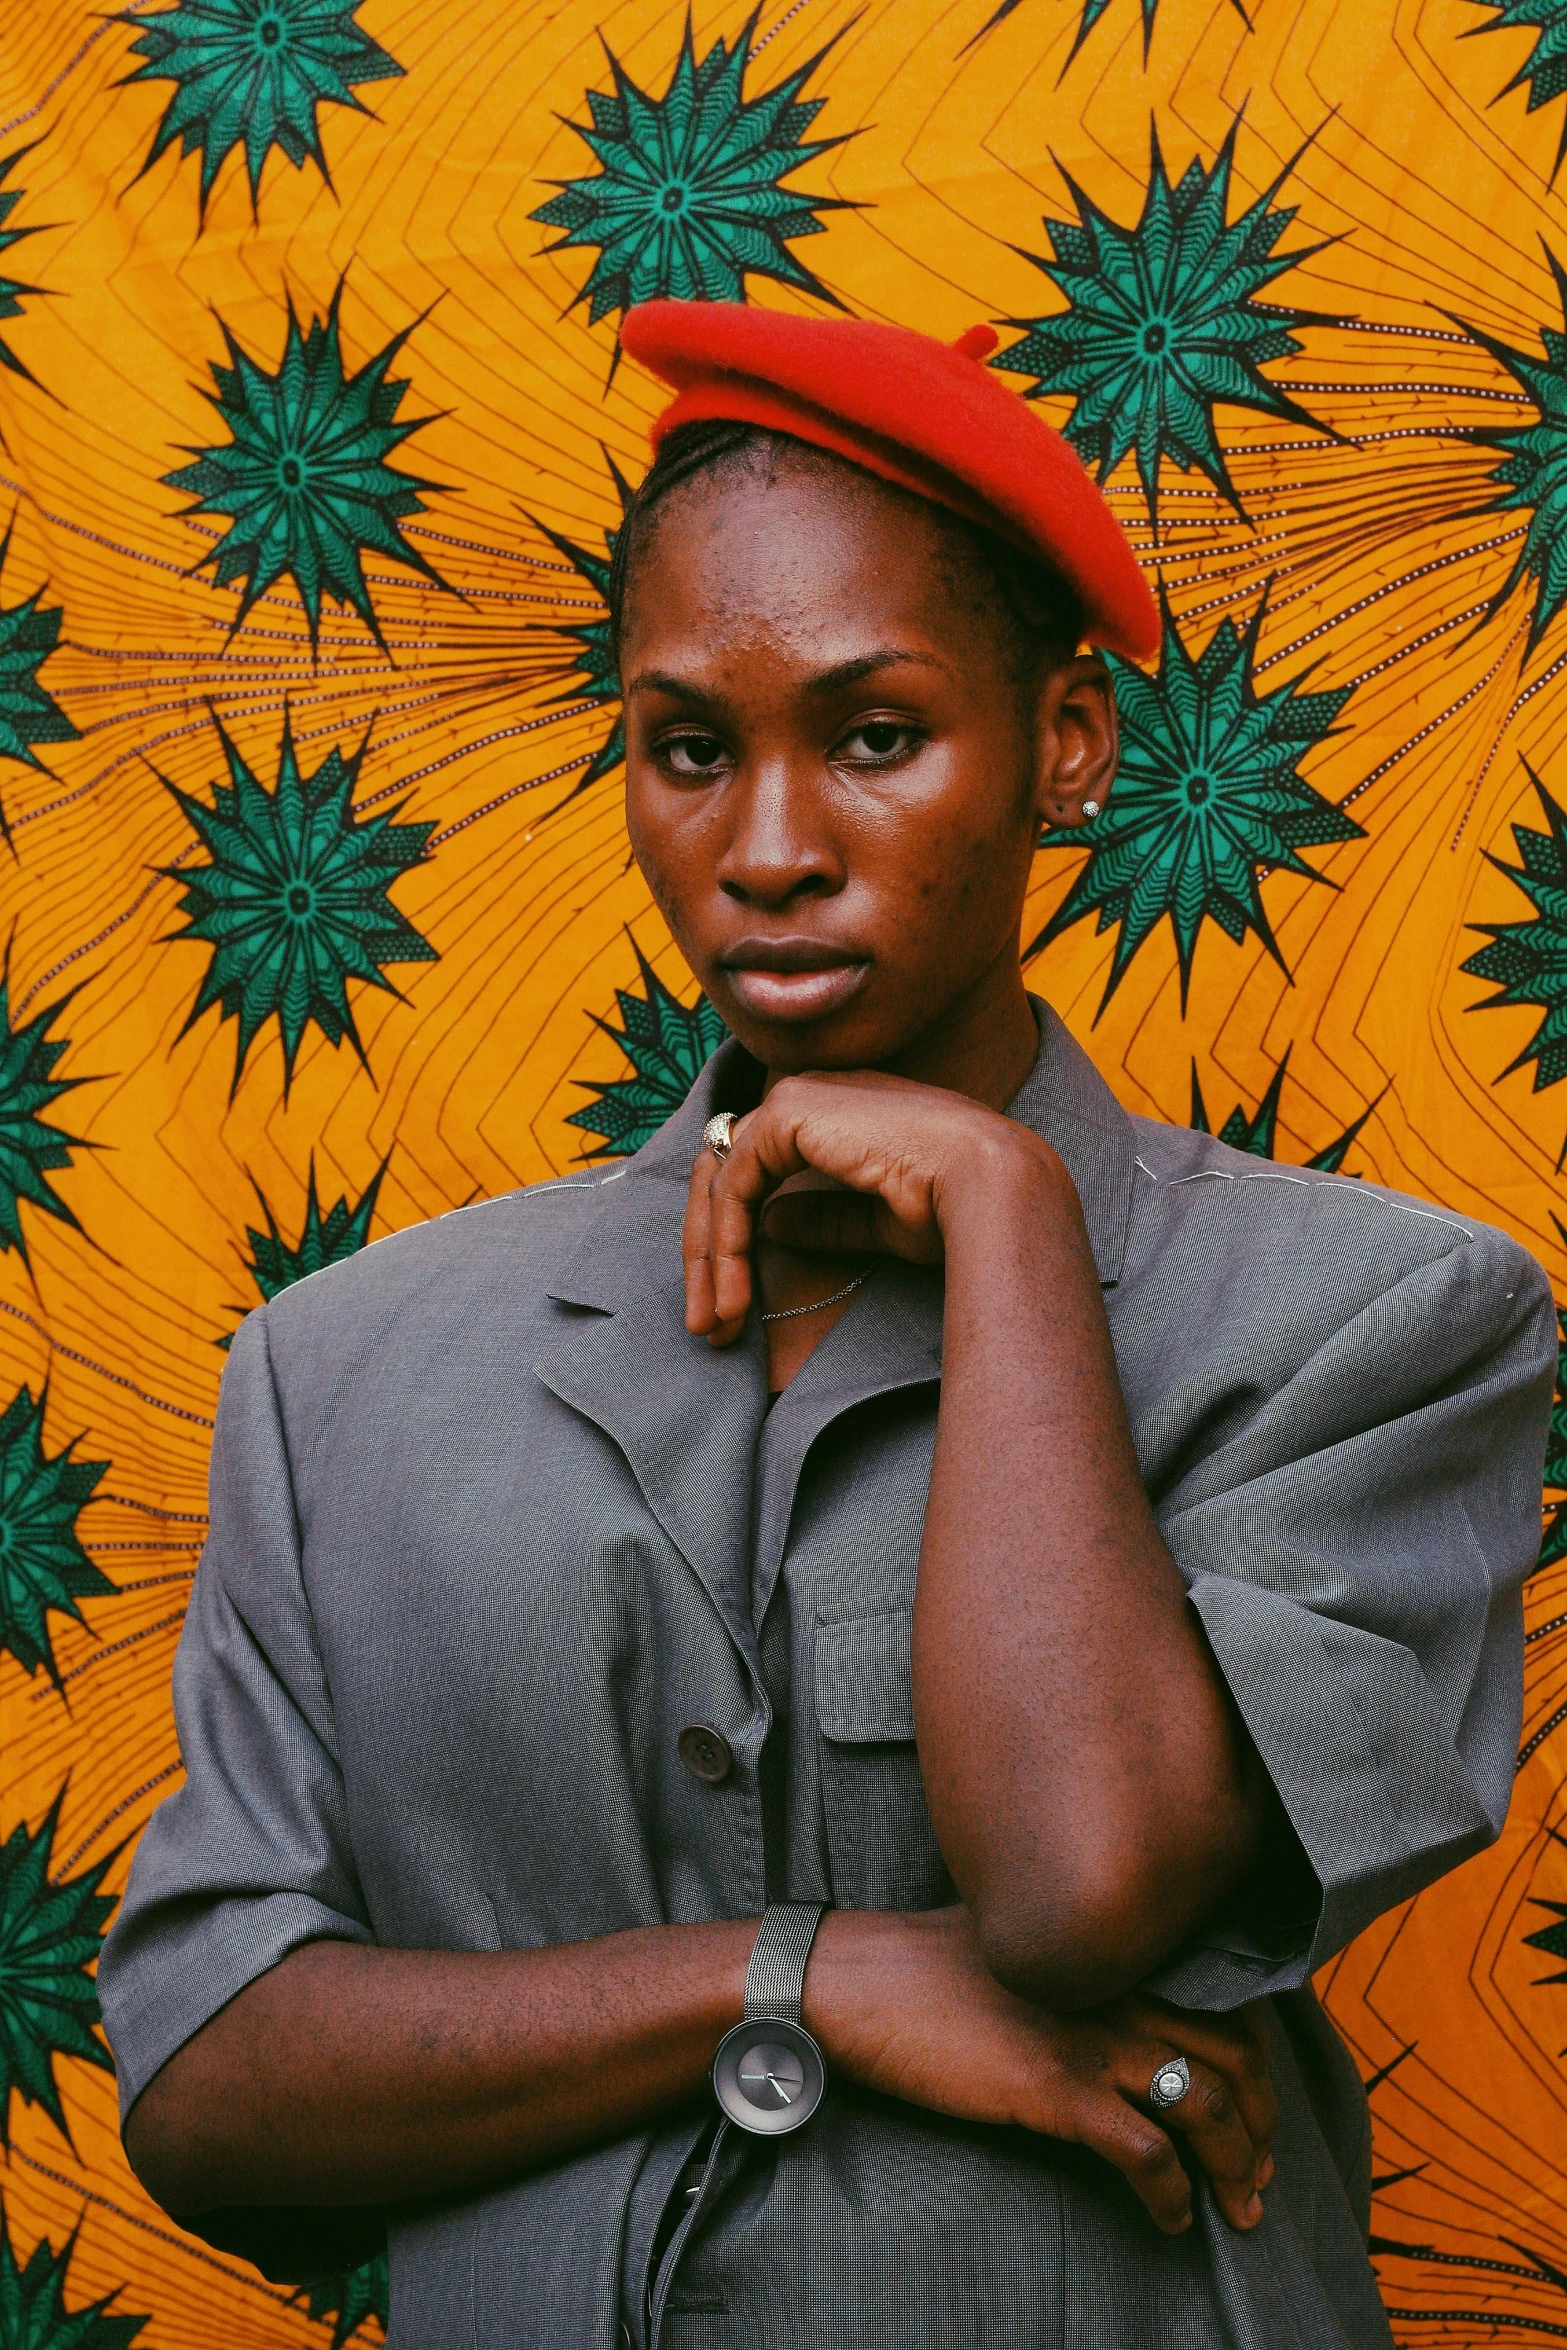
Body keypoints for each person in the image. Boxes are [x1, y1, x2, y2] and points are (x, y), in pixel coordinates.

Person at [98, 300, 1554, 2350]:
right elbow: (208, 2085)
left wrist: (1006, 1211)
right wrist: (804, 1975)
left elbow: (1078, 1885)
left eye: (874, 736)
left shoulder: (1383, 1317)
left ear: (1068, 739)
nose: (767, 850)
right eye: (691, 748)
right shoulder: (341, 1370)